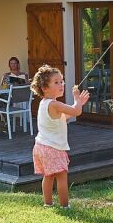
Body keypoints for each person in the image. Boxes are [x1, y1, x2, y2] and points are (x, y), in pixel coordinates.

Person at [30, 64, 89, 209]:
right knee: (62, 176)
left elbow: (66, 115)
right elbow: (76, 112)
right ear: (44, 88)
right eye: (56, 82)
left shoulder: (44, 104)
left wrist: (78, 104)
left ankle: (48, 204)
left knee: (48, 176)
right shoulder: (55, 104)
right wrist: (77, 100)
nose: (61, 84)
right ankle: (64, 206)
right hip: (53, 148)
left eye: (61, 81)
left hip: (40, 146)